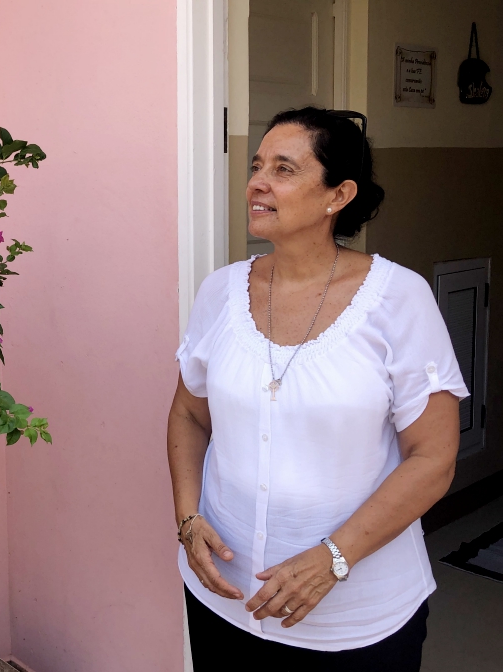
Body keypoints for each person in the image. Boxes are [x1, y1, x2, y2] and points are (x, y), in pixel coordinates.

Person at [166, 107, 468, 671]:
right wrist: (188, 518)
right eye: (257, 165)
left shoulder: (399, 299)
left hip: (355, 621)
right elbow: (188, 412)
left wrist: (333, 559)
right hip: (223, 601)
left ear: (339, 195)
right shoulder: (220, 292)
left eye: (284, 169)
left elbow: (433, 457)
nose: (257, 181)